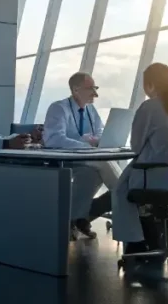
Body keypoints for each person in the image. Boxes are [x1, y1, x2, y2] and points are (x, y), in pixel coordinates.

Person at [111, 62, 168, 255]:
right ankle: (151, 233)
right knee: (124, 184)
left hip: (155, 172)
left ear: (151, 84)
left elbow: (136, 146)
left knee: (120, 190)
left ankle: (135, 242)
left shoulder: (150, 107)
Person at [42, 72, 114, 239]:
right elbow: (54, 139)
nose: (95, 93)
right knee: (104, 166)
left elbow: (100, 131)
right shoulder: (59, 108)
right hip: (62, 158)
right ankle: (123, 193)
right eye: (91, 88)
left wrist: (99, 140)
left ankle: (75, 218)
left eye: (95, 88)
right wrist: (86, 146)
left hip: (84, 160)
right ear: (75, 89)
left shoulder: (90, 110)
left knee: (91, 175)